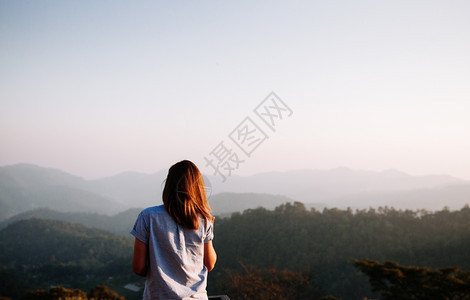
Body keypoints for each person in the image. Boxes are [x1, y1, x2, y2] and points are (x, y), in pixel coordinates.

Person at [131, 160, 217, 300]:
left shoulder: (148, 217)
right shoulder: (204, 220)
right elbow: (210, 263)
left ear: (168, 186)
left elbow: (138, 268)